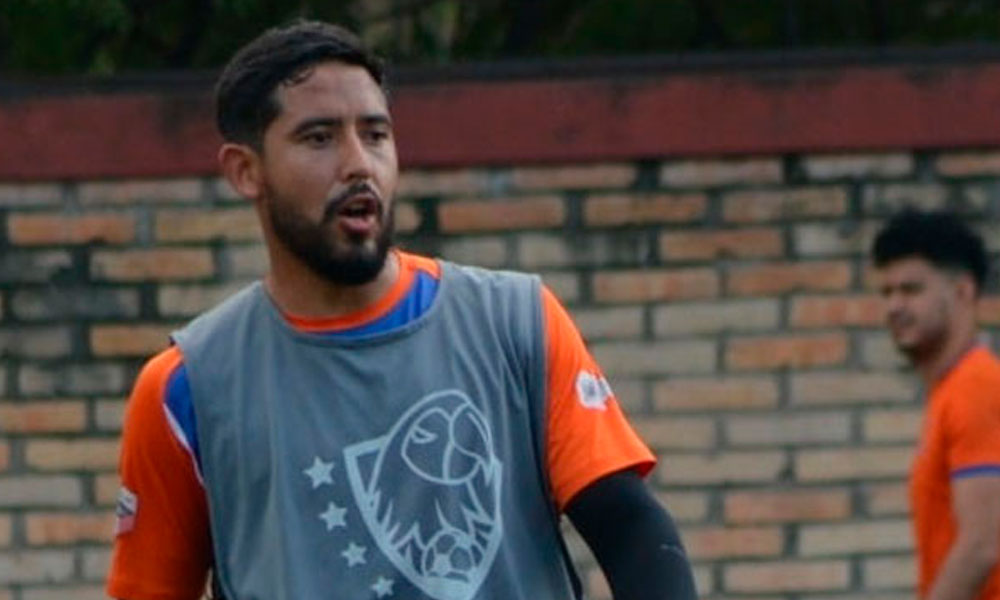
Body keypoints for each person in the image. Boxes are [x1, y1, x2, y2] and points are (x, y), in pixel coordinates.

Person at [105, 20, 696, 600]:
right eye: (319, 138)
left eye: (375, 134)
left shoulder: (517, 323)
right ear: (246, 170)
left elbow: (632, 531)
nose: (358, 163)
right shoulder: (187, 389)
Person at [872, 209, 1000, 600]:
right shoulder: (951, 392)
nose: (894, 306)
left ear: (963, 291)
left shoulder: (977, 386)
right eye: (887, 293)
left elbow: (983, 544)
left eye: (911, 290)